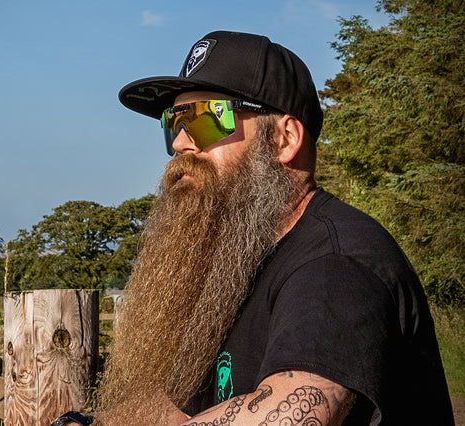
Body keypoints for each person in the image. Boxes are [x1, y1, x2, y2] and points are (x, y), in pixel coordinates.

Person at [56, 30, 455, 425]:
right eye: (173, 122)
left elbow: (291, 413)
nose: (180, 142)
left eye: (206, 118)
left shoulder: (336, 262)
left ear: (284, 139)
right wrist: (88, 422)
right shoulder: (237, 265)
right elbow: (178, 410)